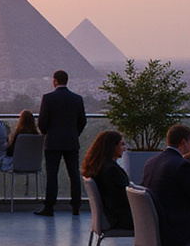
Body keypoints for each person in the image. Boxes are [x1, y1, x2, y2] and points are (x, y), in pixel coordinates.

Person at [35, 70, 87, 217]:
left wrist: (48, 133)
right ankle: (76, 206)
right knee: (74, 175)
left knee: (52, 175)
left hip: (53, 142)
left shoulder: (48, 98)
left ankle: (49, 207)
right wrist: (74, 133)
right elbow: (82, 121)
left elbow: (42, 122)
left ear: (55, 81)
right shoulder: (77, 99)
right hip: (71, 141)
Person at [81, 130, 132, 231]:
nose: (124, 148)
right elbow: (122, 197)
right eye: (121, 145)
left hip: (111, 215)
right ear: (112, 146)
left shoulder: (99, 166)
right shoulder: (111, 169)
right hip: (120, 219)